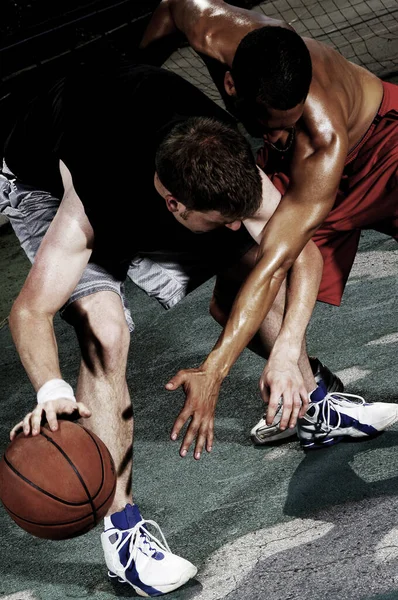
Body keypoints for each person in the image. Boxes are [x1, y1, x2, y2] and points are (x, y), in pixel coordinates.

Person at [0, 58, 337, 595]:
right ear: (174, 203)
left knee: (261, 256)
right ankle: (124, 538)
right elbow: (29, 309)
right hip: (46, 185)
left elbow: (301, 252)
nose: (232, 225)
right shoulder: (95, 194)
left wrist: (287, 349)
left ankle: (309, 402)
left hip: (137, 143)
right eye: (221, 219)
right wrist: (52, 389)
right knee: (105, 332)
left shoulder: (214, 150)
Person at [140, 0, 398, 449]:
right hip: (297, 167)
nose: (274, 136)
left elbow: (285, 261)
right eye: (267, 125)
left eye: (287, 125)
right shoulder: (210, 30)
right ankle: (314, 399)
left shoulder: (320, 137)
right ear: (230, 83)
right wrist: (131, 74)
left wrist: (222, 366)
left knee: (275, 266)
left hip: (385, 149)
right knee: (230, 305)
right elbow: (171, 8)